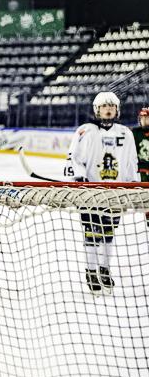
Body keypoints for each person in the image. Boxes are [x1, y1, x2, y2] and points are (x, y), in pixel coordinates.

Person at [63, 91, 139, 294]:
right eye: (104, 106)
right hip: (91, 193)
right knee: (91, 233)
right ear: (97, 109)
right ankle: (90, 271)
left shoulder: (125, 133)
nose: (108, 109)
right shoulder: (85, 131)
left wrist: (133, 184)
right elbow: (74, 158)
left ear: (117, 110)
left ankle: (104, 269)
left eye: (112, 106)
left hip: (115, 193)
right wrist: (79, 178)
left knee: (108, 233)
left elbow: (131, 162)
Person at [132, 107, 149, 182]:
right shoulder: (135, 132)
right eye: (142, 118)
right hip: (141, 169)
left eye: (147, 118)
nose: (144, 121)